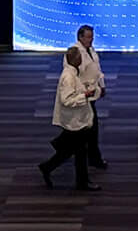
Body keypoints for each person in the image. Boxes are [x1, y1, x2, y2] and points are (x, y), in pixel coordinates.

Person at [38, 44, 98, 190]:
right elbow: (67, 100)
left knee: (75, 150)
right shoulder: (69, 77)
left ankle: (50, 167)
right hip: (74, 120)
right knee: (76, 151)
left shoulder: (72, 74)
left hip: (76, 120)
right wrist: (84, 95)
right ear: (76, 60)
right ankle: (78, 181)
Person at [75, 24, 108, 167]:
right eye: (88, 37)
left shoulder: (91, 50)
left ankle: (92, 157)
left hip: (91, 94)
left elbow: (97, 69)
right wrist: (83, 91)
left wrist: (102, 85)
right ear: (80, 37)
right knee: (90, 128)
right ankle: (94, 159)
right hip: (82, 96)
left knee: (90, 128)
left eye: (92, 36)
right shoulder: (75, 53)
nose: (91, 39)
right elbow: (75, 76)